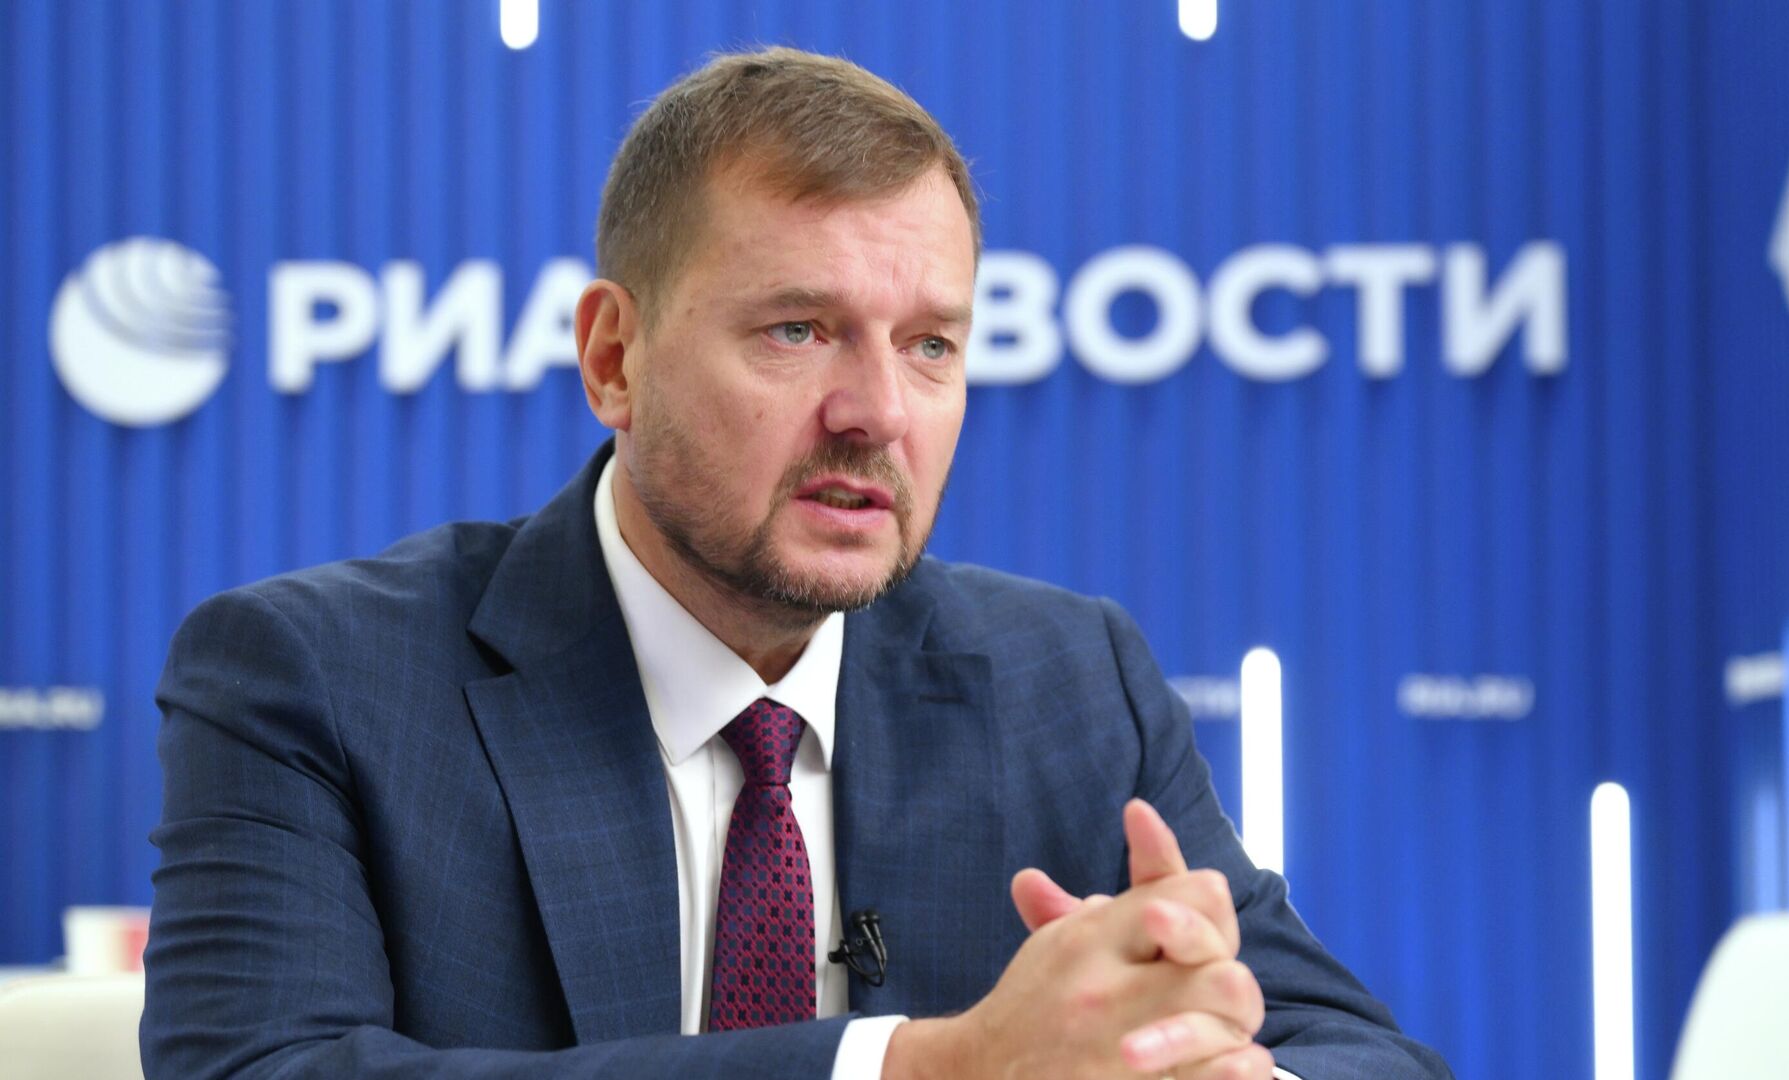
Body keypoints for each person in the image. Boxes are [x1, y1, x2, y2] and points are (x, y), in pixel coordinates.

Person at [141, 47, 1452, 1080]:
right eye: (797, 330)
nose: (875, 413)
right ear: (613, 358)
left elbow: (1357, 1052)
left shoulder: (1069, 682)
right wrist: (921, 1068)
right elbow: (259, 1068)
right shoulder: (318, 676)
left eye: (931, 346)